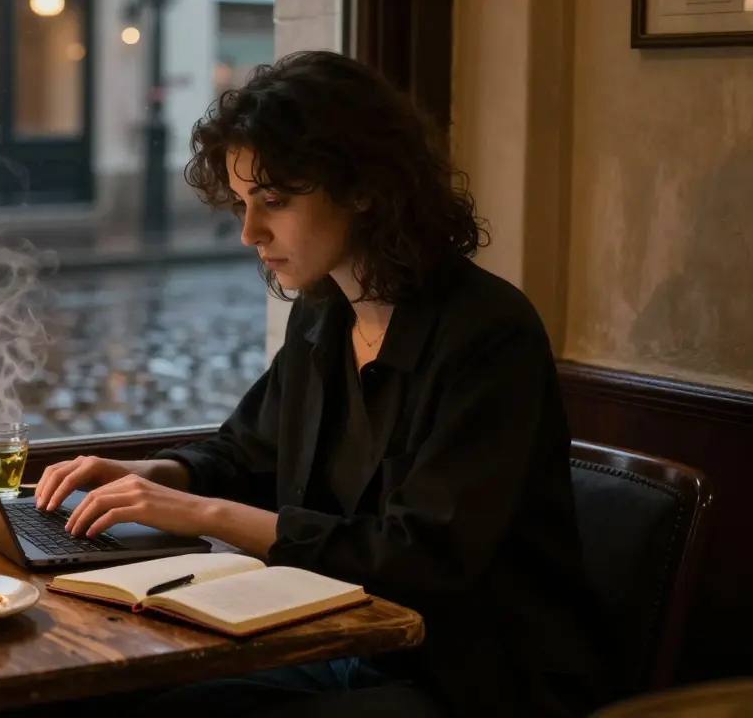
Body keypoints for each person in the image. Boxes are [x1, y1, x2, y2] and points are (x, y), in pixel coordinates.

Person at [32, 51, 607, 717]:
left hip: (476, 677)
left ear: (362, 185)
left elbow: (421, 558)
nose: (250, 232)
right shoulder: (323, 312)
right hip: (345, 647)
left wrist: (206, 513)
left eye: (273, 201)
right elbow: (246, 453)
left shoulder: (487, 333)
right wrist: (153, 475)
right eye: (244, 204)